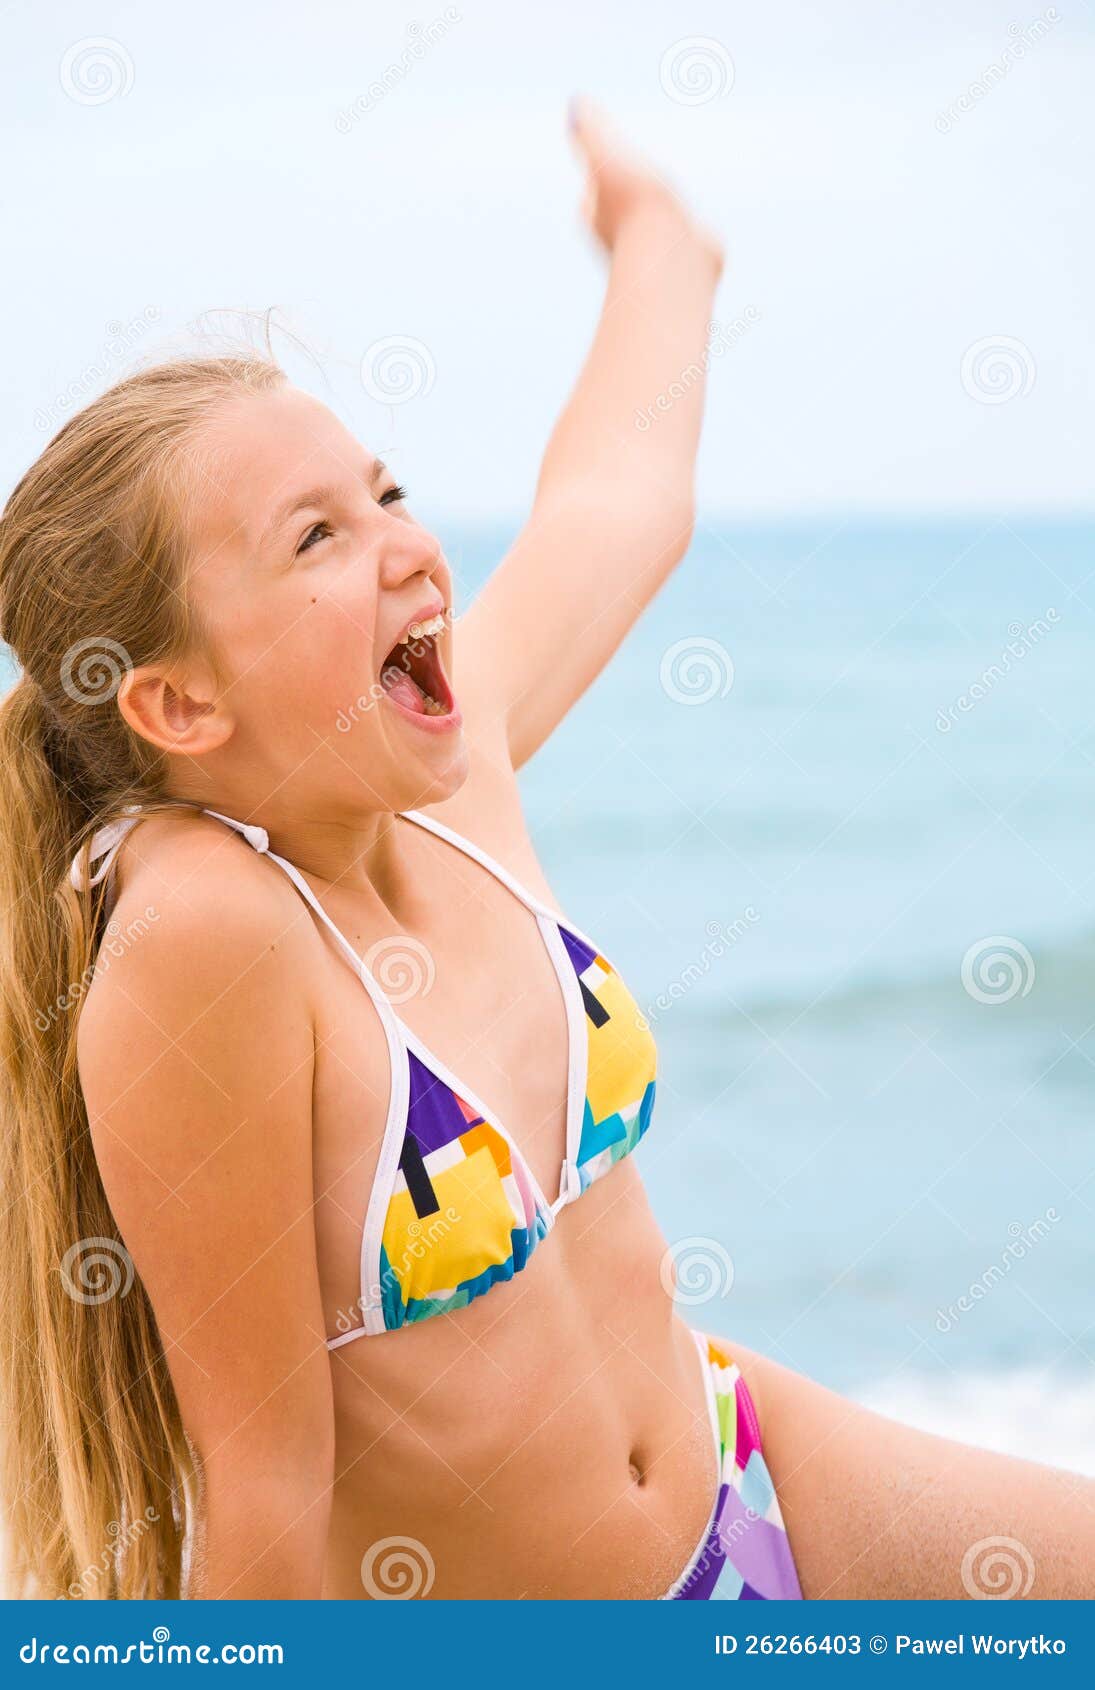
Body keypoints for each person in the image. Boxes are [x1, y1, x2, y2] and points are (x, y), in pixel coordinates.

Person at [1, 105, 1091, 1603]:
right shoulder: (207, 930)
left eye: (383, 491)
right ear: (178, 699)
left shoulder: (452, 777)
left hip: (750, 1465)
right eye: (313, 538)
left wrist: (661, 246)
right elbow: (263, 1505)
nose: (404, 546)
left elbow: (619, 500)